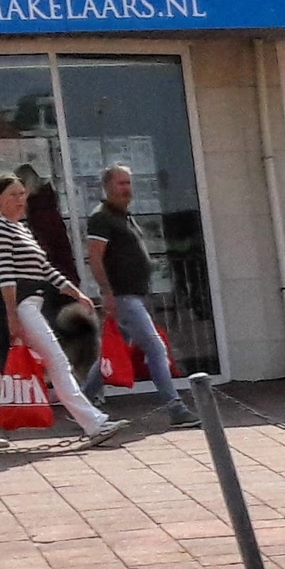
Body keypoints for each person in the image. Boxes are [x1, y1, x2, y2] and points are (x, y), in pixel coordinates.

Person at [0, 173, 124, 450]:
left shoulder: (20, 228)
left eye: (23, 194)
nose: (20, 200)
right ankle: (94, 423)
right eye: (13, 194)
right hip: (20, 305)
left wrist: (75, 292)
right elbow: (4, 276)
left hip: (28, 303)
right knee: (58, 362)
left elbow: (44, 268)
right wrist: (12, 315)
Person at [87, 163, 196, 425]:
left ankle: (81, 400)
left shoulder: (124, 216)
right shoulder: (101, 217)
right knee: (156, 348)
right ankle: (176, 409)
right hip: (123, 296)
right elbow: (95, 257)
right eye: (120, 183)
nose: (126, 189)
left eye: (128, 183)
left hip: (135, 295)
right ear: (107, 187)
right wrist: (107, 292)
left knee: (112, 354)